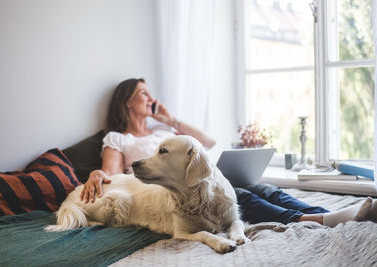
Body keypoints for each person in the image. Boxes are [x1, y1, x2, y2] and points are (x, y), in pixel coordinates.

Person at [80, 78, 377, 228]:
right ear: (127, 102)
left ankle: (329, 214)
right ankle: (316, 222)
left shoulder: (164, 133)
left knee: (264, 188)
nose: (151, 97)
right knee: (243, 197)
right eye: (143, 93)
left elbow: (207, 143)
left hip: (200, 180)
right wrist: (97, 174)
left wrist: (171, 121)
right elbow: (114, 175)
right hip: (176, 193)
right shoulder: (119, 137)